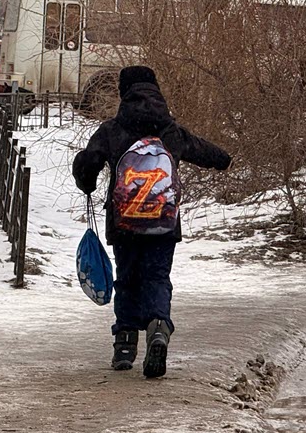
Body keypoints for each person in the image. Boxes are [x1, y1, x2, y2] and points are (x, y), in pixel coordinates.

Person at [73, 66, 232, 377]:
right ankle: (158, 327)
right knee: (157, 277)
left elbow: (88, 165)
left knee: (127, 278)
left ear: (124, 92)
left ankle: (124, 343)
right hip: (163, 221)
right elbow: (204, 151)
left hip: (124, 222)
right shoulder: (170, 131)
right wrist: (224, 160)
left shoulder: (112, 130)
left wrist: (86, 181)